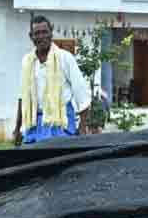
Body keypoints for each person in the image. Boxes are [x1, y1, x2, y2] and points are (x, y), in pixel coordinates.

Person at [14, 15, 91, 145]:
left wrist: (82, 128)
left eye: (45, 32)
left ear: (51, 33)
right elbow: (23, 97)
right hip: (34, 124)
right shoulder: (27, 62)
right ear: (31, 36)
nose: (41, 36)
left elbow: (82, 95)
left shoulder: (65, 58)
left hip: (60, 124)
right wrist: (17, 129)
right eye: (37, 33)